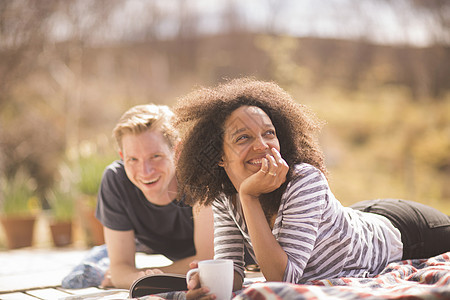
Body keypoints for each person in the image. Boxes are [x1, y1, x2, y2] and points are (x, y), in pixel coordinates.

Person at [173, 78, 450, 298]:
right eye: (243, 137)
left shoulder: (303, 179)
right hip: (351, 222)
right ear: (219, 156)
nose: (262, 145)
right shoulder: (225, 196)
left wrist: (249, 196)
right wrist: (205, 283)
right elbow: (232, 269)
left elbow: (283, 279)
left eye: (269, 133)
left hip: (408, 232)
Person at [63, 104, 214, 290]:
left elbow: (208, 262)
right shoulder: (116, 180)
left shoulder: (199, 176)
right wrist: (131, 276)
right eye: (133, 159)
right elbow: (119, 270)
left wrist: (144, 276)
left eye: (156, 156)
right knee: (78, 279)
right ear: (122, 156)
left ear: (177, 151)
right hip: (149, 244)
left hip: (240, 256)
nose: (145, 171)